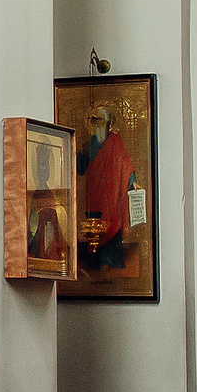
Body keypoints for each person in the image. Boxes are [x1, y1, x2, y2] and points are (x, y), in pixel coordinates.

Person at [78, 104, 137, 273]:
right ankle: (95, 263)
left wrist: (132, 182)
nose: (96, 123)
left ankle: (113, 262)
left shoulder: (116, 142)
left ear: (107, 122)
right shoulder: (89, 143)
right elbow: (81, 168)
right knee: (94, 231)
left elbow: (126, 164)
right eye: (94, 119)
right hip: (94, 196)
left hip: (112, 196)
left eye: (100, 119)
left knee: (113, 227)